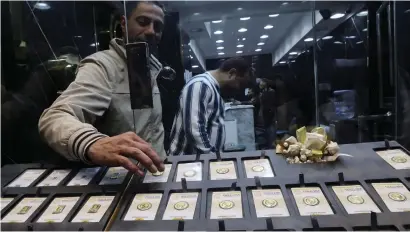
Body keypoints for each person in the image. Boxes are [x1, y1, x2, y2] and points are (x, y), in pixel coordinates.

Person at [38, 1, 168, 175]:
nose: (151, 31)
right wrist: (91, 143)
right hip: (121, 179)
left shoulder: (150, 67)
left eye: (158, 26)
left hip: (154, 174)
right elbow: (55, 117)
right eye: (143, 22)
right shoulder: (103, 66)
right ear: (123, 23)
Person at [168, 57, 253, 156]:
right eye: (240, 84)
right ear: (232, 73)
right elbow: (194, 129)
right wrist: (211, 157)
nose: (238, 90)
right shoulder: (201, 85)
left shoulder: (213, 89)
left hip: (199, 160)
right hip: (188, 162)